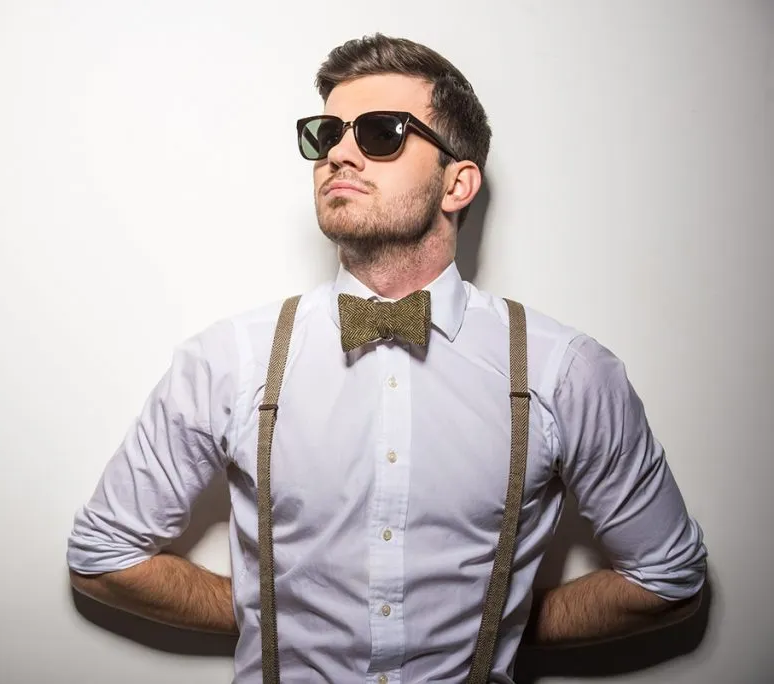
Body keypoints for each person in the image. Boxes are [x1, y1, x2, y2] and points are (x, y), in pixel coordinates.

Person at [66, 33, 708, 684]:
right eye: (326, 135)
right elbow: (101, 555)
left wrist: (502, 620)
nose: (338, 153)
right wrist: (274, 615)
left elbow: (669, 577)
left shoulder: (564, 371)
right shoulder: (230, 359)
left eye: (381, 133)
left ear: (457, 183)